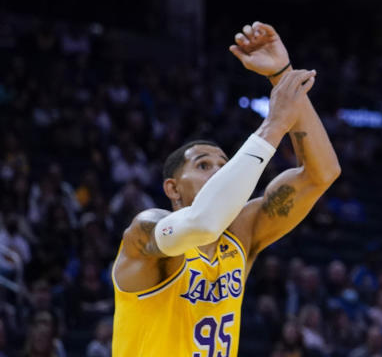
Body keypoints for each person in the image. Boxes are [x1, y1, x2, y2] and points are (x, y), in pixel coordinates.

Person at [111, 22, 342, 356]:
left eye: (224, 165)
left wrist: (283, 75)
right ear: (172, 188)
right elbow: (204, 223)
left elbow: (322, 174)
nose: (219, 173)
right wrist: (274, 125)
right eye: (204, 166)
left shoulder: (241, 234)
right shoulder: (144, 232)